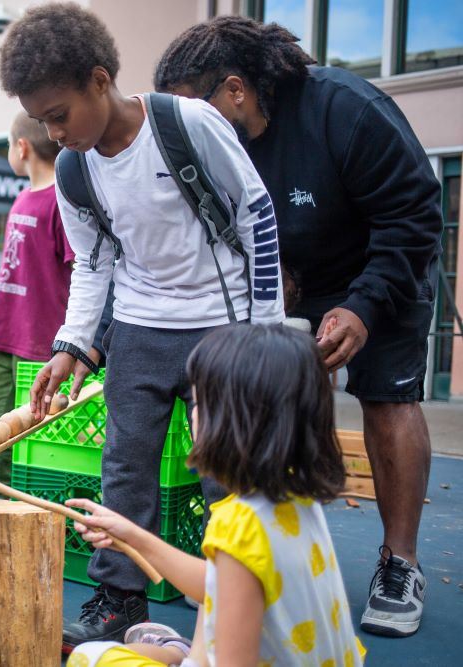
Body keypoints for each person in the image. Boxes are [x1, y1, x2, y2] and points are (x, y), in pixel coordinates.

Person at [0, 3, 284, 650]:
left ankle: (240, 591)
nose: (53, 131)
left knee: (226, 467)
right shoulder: (74, 169)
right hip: (139, 327)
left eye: (59, 113)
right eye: (41, 120)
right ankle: (119, 596)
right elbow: (93, 264)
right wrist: (72, 344)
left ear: (100, 80)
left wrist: (265, 331)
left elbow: (256, 216)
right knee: (124, 465)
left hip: (221, 324)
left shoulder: (187, 122)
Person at [153, 16, 443, 637]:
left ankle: (400, 561)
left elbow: (416, 216)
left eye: (191, 111)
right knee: (265, 391)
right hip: (293, 278)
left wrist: (363, 307)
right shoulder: (215, 139)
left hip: (382, 268)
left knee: (388, 396)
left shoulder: (348, 110)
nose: (186, 130)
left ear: (235, 90)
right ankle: (271, 549)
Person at [67, 324, 366, 667]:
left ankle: (178, 653)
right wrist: (132, 537)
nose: (192, 410)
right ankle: (177, 651)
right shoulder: (293, 494)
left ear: (235, 420)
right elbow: (226, 584)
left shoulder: (239, 524)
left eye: (201, 399)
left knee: (88, 659)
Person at [0, 111, 73, 486]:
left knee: (26, 438)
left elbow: (80, 270)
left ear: (22, 147)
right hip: (3, 333)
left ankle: (11, 508)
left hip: (39, 342)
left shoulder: (60, 201)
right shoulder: (22, 199)